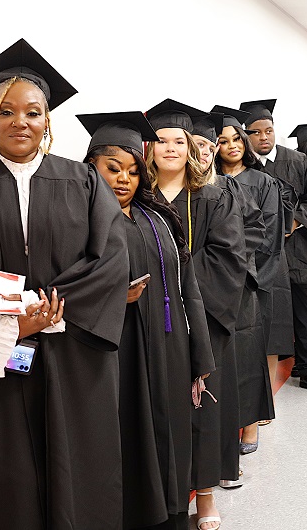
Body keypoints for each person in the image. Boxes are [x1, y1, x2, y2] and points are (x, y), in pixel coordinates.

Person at [0, 39, 128, 529]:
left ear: (48, 121)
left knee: (80, 462)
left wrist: (51, 309)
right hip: (2, 348)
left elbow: (111, 259)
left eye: (33, 112)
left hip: (73, 346)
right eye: (7, 111)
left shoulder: (82, 180)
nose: (21, 121)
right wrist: (10, 323)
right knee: (9, 469)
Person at [80, 112, 215, 530]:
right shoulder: (78, 220)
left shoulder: (158, 218)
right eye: (113, 169)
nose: (124, 180)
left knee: (169, 435)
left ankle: (170, 514)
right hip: (114, 350)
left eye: (134, 171)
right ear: (90, 168)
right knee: (125, 437)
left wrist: (200, 354)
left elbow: (187, 286)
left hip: (168, 347)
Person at [145, 98, 248, 528]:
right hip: (151, 318)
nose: (170, 147)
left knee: (203, 406)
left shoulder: (213, 195)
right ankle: (160, 494)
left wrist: (180, 280)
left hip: (202, 317)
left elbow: (229, 257)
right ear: (147, 149)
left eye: (179, 141)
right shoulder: (138, 195)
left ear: (191, 148)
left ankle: (204, 495)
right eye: (161, 140)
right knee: (158, 409)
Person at [242, 99, 307, 394]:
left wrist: (293, 222)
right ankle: (257, 373)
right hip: (257, 256)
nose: (263, 137)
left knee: (304, 311)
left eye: (268, 130)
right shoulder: (241, 167)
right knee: (262, 313)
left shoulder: (297, 162)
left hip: (295, 250)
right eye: (255, 133)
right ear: (246, 136)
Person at [215, 105, 288, 448]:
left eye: (235, 139)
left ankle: (251, 425)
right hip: (215, 283)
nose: (231, 146)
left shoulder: (263, 182)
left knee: (250, 353)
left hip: (250, 280)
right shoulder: (208, 182)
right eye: (222, 140)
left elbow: (270, 236)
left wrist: (245, 275)